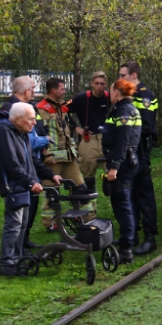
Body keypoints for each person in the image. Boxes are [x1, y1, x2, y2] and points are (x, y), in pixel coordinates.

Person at [0, 102, 61, 276]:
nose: (34, 123)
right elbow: (11, 163)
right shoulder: (4, 133)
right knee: (13, 224)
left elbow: (32, 160)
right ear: (18, 119)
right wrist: (29, 182)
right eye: (30, 119)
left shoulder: (22, 133)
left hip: (24, 183)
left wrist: (50, 175)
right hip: (13, 184)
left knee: (22, 225)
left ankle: (18, 257)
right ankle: (6, 263)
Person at [0, 75, 50, 247]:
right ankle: (10, 257)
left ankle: (22, 244)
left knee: (29, 209)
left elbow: (28, 144)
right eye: (33, 88)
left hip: (29, 168)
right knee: (16, 219)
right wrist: (46, 140)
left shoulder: (27, 109)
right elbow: (12, 151)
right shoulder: (8, 113)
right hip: (17, 175)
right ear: (27, 90)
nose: (34, 92)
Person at [37, 77, 94, 227]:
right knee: (51, 192)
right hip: (52, 160)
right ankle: (49, 223)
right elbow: (40, 133)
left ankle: (88, 218)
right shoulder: (41, 108)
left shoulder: (63, 107)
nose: (64, 91)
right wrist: (46, 154)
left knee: (80, 187)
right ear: (53, 90)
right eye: (62, 89)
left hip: (69, 158)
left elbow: (68, 130)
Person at [119, 61, 158, 255]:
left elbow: (147, 128)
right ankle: (132, 234)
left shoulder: (145, 96)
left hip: (140, 152)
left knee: (143, 195)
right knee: (130, 194)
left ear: (134, 76)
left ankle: (150, 237)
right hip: (130, 153)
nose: (121, 79)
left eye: (123, 75)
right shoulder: (129, 96)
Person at [102, 79, 142, 264]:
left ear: (117, 92)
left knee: (122, 204)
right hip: (128, 162)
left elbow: (123, 141)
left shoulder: (124, 111)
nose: (110, 95)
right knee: (125, 203)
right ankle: (128, 239)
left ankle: (126, 249)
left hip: (123, 164)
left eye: (111, 91)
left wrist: (114, 167)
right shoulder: (130, 108)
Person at [68, 72, 112, 197]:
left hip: (107, 139)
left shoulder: (110, 98)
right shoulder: (81, 98)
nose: (99, 86)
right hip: (89, 139)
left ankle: (112, 193)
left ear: (106, 85)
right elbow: (63, 109)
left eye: (102, 84)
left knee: (113, 171)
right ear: (91, 84)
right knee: (87, 174)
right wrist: (76, 128)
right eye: (96, 83)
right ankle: (89, 203)